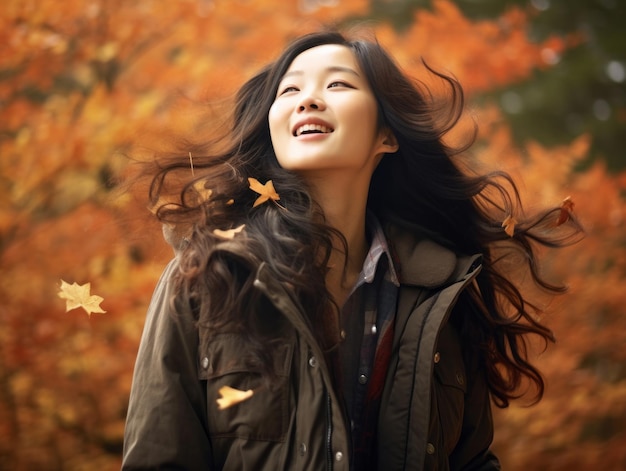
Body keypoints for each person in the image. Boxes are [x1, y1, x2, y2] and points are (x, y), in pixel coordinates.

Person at [121, 30, 582, 470]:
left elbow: (472, 461)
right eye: (289, 91)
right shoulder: (208, 275)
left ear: (388, 135)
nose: (308, 98)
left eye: (338, 84)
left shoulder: (442, 295)